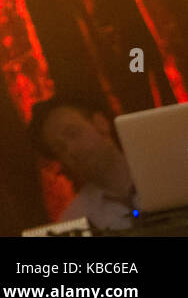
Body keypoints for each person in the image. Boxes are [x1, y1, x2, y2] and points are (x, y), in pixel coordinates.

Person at [28, 93, 138, 231]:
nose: (71, 150)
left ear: (101, 123)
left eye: (73, 133)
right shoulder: (73, 222)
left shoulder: (165, 170)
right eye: (60, 148)